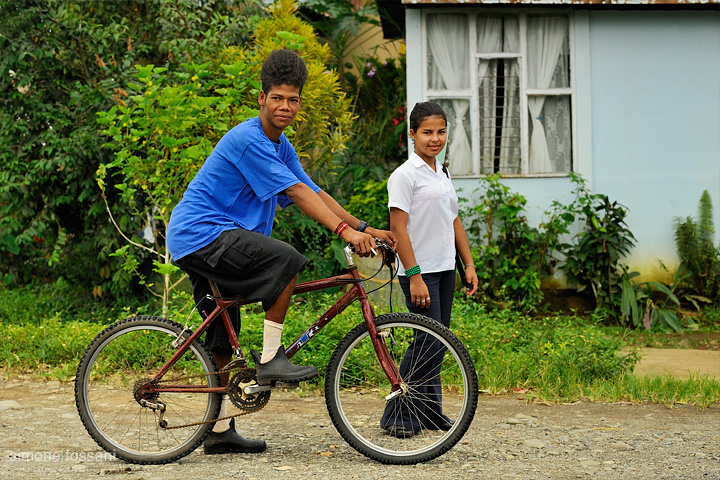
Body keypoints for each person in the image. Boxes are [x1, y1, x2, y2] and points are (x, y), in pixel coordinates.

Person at [166, 48, 396, 455]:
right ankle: (271, 358)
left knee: (223, 334)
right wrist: (344, 231)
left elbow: (311, 190)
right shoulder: (249, 140)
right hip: (202, 234)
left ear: (299, 103)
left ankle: (219, 432)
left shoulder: (280, 145)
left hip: (209, 237)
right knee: (285, 259)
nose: (285, 106)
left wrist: (362, 227)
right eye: (277, 98)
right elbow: (292, 192)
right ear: (262, 98)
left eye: (292, 99)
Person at [380, 101, 478, 438]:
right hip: (417, 273)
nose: (434, 139)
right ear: (412, 135)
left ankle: (430, 410)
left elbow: (454, 220)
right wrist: (416, 274)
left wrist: (468, 263)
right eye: (427, 133)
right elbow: (398, 231)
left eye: (440, 132)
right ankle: (398, 415)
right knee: (429, 342)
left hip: (444, 270)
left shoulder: (442, 172)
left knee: (439, 342)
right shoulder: (404, 176)